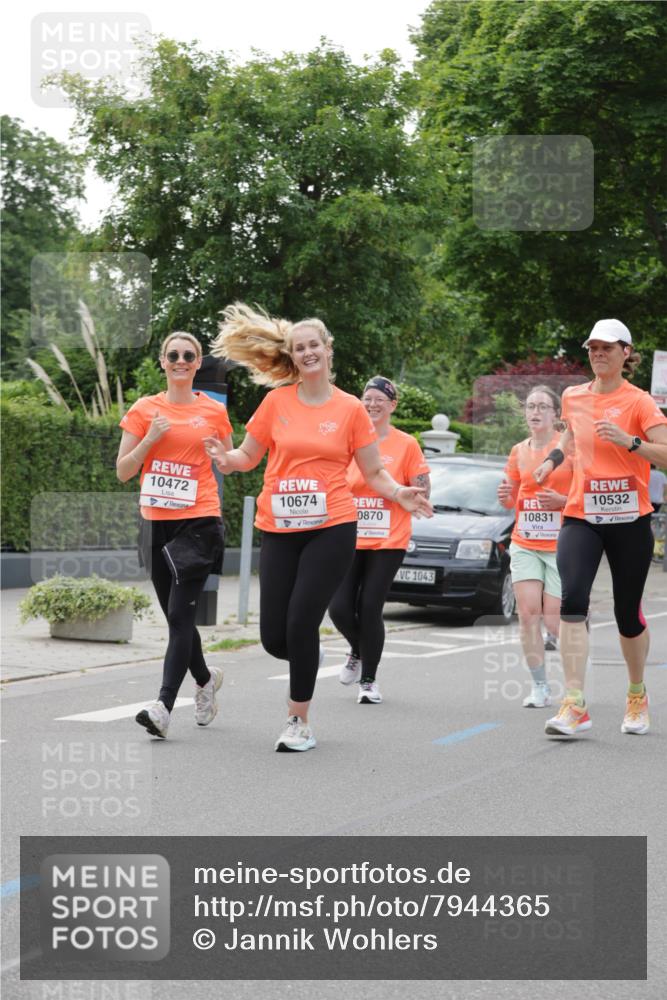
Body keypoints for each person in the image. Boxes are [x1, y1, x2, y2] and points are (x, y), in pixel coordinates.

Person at [205, 304, 433, 752]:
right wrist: (227, 460)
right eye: (299, 347)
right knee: (275, 636)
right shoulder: (276, 402)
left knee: (301, 620)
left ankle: (298, 722)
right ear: (292, 356)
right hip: (279, 525)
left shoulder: (350, 409)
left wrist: (400, 492)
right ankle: (308, 654)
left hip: (332, 525)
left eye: (314, 345)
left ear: (328, 352)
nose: (308, 352)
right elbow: (249, 456)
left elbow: (373, 471)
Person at [534, 319, 667, 737]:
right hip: (582, 516)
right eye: (592, 347)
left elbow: (665, 454)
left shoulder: (640, 402)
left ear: (626, 353)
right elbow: (569, 439)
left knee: (627, 613)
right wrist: (551, 461)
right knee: (572, 600)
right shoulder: (573, 396)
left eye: (607, 347)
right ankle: (574, 703)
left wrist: (630, 441)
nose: (598, 354)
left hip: (630, 519)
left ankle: (636, 694)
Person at [116, 333, 233, 739]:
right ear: (163, 362)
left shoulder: (213, 412)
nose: (180, 361)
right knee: (175, 617)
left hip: (199, 519)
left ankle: (163, 706)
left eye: (188, 355)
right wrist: (150, 438)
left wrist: (224, 457)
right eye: (173, 355)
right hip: (155, 522)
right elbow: (123, 471)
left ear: (198, 362)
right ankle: (205, 680)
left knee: (182, 615)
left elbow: (230, 461)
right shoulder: (145, 409)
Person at [329, 376, 431, 704]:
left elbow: (422, 485)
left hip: (389, 539)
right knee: (340, 608)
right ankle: (358, 650)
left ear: (392, 405)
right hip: (348, 534)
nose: (372, 404)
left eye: (380, 400)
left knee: (370, 606)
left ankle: (369, 681)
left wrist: (417, 494)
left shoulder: (406, 444)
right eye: (367, 398)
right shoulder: (348, 441)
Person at [497, 385, 573, 708]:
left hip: (561, 544)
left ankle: (574, 685)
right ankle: (540, 687)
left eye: (543, 406)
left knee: (555, 621)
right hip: (525, 542)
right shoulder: (518, 451)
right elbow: (511, 499)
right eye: (530, 406)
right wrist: (505, 499)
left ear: (556, 414)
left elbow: (585, 497)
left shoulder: (568, 449)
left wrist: (562, 501)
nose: (535, 412)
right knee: (528, 615)